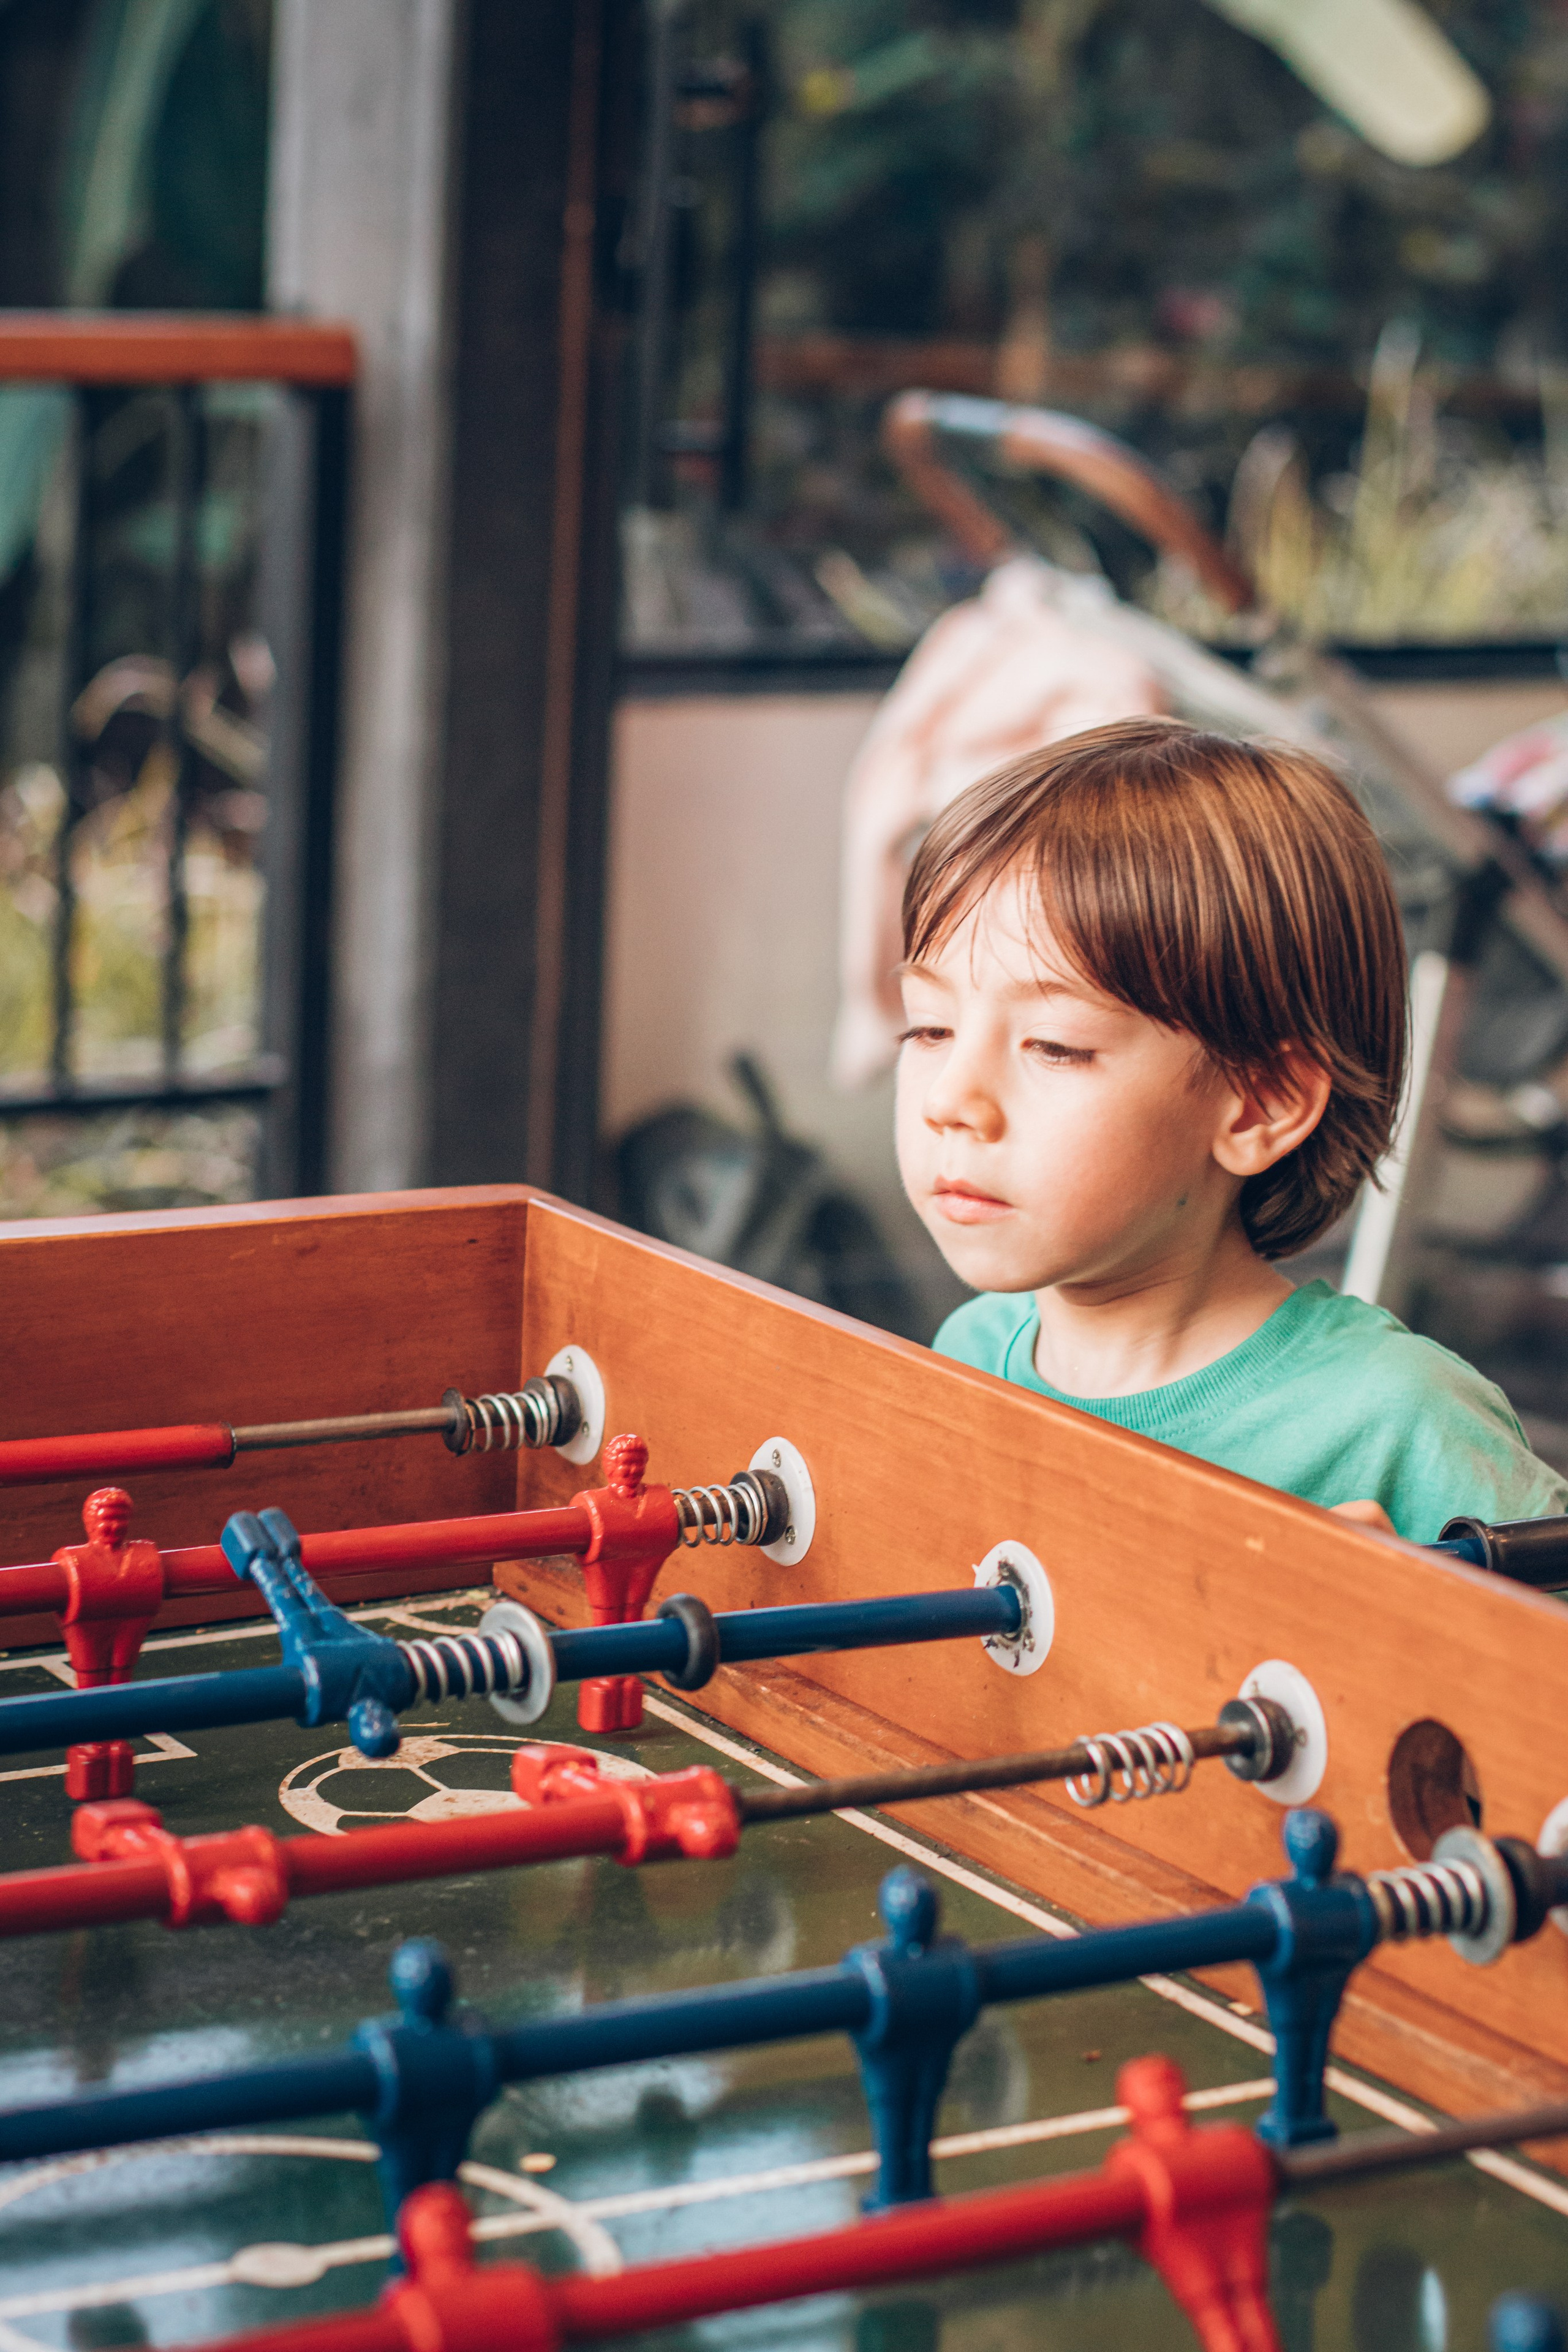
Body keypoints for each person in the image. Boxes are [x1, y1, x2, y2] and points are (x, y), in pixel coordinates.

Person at [895, 715, 1568, 1543]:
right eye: (929, 1028)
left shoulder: (1397, 1420)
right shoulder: (972, 1349)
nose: (952, 1098)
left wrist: (1406, 1641)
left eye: (1056, 1047)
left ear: (1261, 1106)